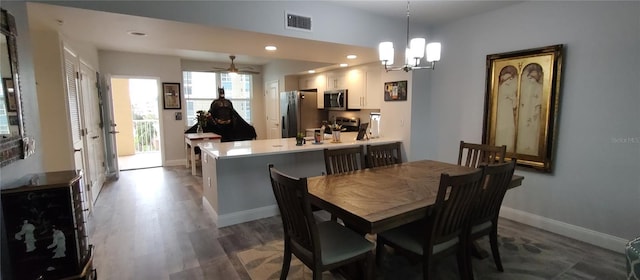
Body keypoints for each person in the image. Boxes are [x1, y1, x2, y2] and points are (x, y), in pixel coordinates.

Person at [516, 63, 544, 156]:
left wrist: (535, 110)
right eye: (530, 77)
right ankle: (523, 145)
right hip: (525, 110)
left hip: (532, 111)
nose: (532, 79)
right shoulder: (526, 87)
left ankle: (529, 146)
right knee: (524, 128)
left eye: (534, 77)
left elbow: (539, 100)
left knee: (531, 129)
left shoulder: (538, 87)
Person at [495, 65, 518, 153]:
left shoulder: (503, 88)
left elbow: (514, 103)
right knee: (505, 127)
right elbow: (513, 102)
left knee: (507, 128)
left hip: (506, 110)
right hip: (505, 110)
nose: (510, 80)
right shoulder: (505, 88)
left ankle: (506, 145)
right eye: (509, 79)